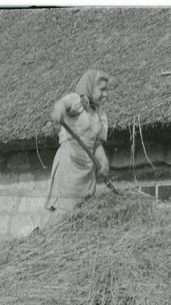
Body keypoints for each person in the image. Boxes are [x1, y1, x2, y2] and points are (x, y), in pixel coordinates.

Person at [45, 69, 111, 212]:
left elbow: (96, 143)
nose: (106, 94)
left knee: (85, 212)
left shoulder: (100, 114)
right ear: (90, 87)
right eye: (102, 89)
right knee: (66, 211)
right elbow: (63, 104)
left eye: (106, 90)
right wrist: (59, 111)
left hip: (87, 169)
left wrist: (103, 161)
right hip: (70, 164)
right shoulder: (77, 101)